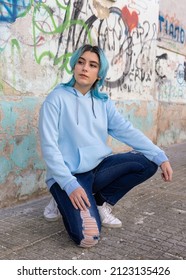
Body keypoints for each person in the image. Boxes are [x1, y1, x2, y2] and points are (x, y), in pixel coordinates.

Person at [39, 44, 173, 248]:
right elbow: (49, 147)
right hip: (68, 175)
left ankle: (101, 203)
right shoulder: (56, 99)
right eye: (81, 62)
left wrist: (160, 155)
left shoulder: (103, 102)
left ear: (99, 74)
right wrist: (69, 184)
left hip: (97, 170)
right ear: (74, 65)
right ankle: (60, 198)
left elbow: (127, 131)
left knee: (148, 161)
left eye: (92, 65)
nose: (85, 68)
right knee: (87, 238)